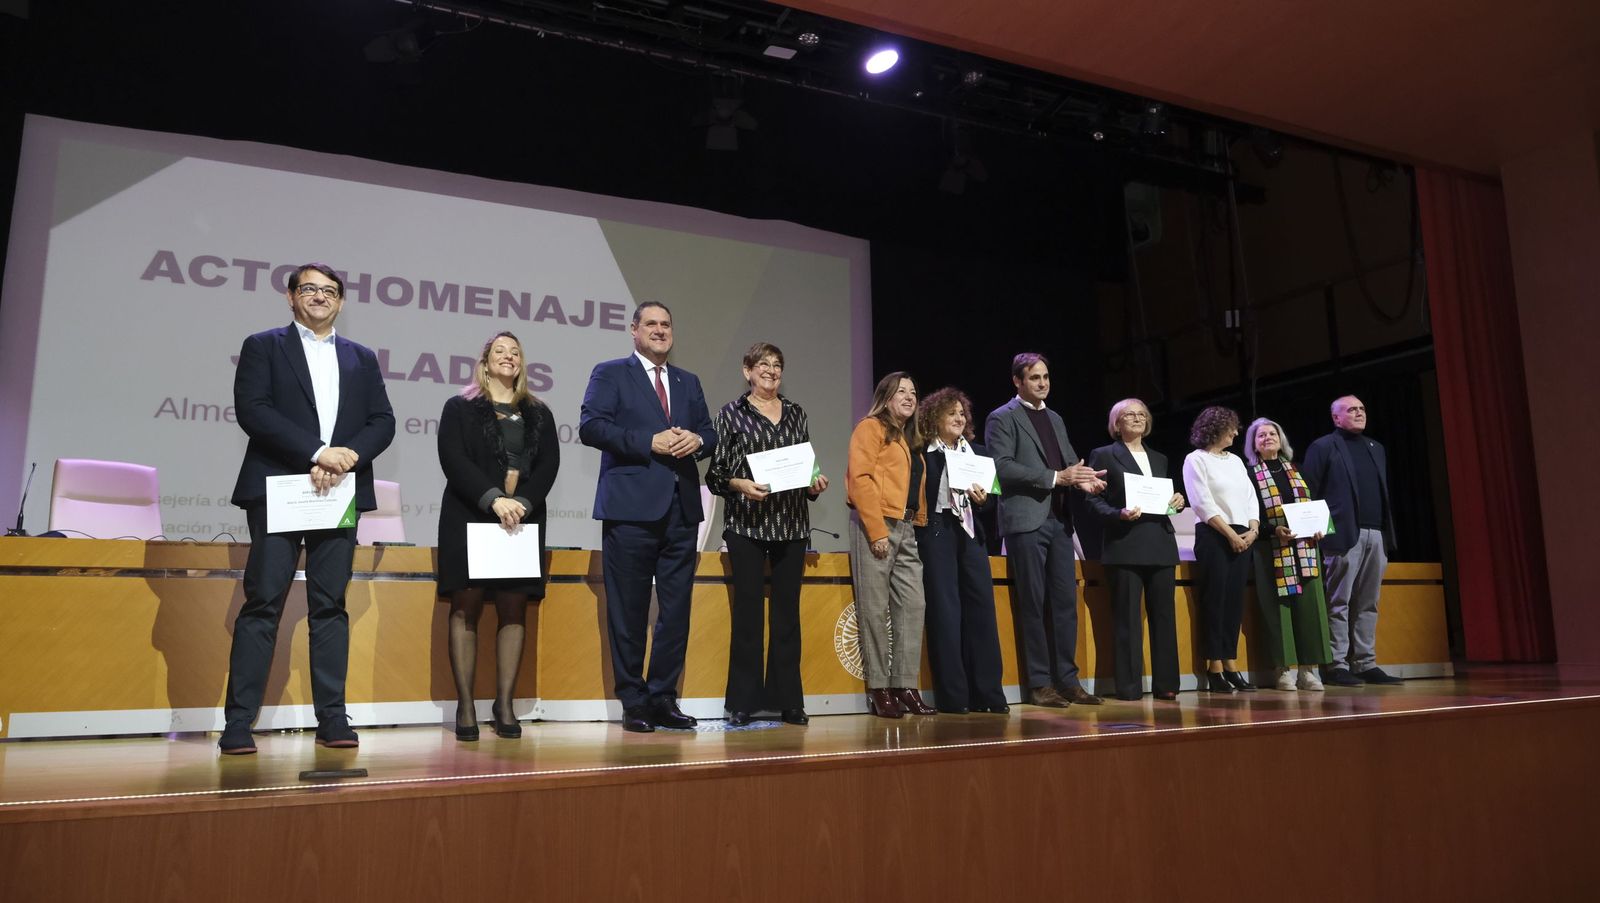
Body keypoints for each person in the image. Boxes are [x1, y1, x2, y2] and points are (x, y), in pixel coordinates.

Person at [220, 263, 396, 755]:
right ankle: (238, 723)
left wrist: (347, 457)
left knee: (330, 606)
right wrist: (319, 453)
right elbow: (254, 410)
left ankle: (333, 719)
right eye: (310, 289)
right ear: (291, 296)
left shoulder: (361, 357)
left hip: (339, 489)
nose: (320, 297)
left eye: (329, 291)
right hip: (281, 489)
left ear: (340, 302)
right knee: (263, 603)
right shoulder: (264, 345)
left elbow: (383, 420)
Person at [579, 301, 717, 733]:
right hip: (631, 510)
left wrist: (698, 439)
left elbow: (711, 433)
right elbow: (591, 427)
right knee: (630, 610)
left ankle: (663, 698)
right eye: (651, 324)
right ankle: (634, 700)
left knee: (675, 612)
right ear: (634, 331)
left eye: (666, 325)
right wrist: (648, 441)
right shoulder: (610, 373)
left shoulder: (687, 380)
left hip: (680, 511)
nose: (660, 331)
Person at [436, 332, 560, 740]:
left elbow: (548, 467)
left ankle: (504, 703)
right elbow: (453, 460)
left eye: (516, 352)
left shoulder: (539, 412)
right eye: (500, 352)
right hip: (470, 515)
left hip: (521, 521)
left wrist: (520, 502)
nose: (509, 357)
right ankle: (467, 705)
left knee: (513, 608)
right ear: (485, 361)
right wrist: (493, 500)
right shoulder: (461, 407)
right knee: (465, 606)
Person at [704, 342, 829, 726]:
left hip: (791, 526)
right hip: (746, 527)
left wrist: (814, 483)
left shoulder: (795, 413)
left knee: (787, 617)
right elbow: (715, 476)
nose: (771, 371)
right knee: (748, 617)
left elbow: (805, 467)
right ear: (747, 370)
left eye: (777, 365)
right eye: (763, 365)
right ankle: (742, 702)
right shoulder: (730, 414)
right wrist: (740, 485)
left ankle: (788, 701)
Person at [985, 353, 1108, 709]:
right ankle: (1040, 683)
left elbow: (1070, 463)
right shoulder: (1002, 418)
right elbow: (1001, 467)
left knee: (1065, 603)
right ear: (1017, 381)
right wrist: (1057, 478)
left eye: (1046, 377)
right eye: (1034, 378)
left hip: (1058, 521)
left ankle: (1068, 680)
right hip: (1026, 521)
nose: (1042, 383)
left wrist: (1084, 481)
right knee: (1034, 603)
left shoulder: (1054, 417)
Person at [1084, 399, 1186, 701]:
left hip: (1160, 544)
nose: (1137, 419)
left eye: (1142, 414)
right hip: (1125, 544)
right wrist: (1118, 514)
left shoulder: (1160, 458)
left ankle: (1167, 684)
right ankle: (1128, 687)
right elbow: (1092, 501)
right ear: (1117, 423)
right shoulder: (1103, 455)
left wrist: (1176, 502)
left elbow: (1164, 501)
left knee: (1165, 618)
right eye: (1130, 415)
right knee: (1127, 618)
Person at [916, 387, 1009, 715]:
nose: (958, 418)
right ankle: (954, 698)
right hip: (938, 532)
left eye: (961, 413)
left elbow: (994, 499)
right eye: (950, 413)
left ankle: (989, 694)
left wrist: (985, 500)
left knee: (982, 612)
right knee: (946, 613)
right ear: (934, 417)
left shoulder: (980, 453)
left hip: (972, 533)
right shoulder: (923, 452)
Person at [846, 372, 932, 718]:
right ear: (886, 396)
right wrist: (876, 530)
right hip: (877, 523)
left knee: (913, 605)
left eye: (913, 391)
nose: (909, 397)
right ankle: (879, 689)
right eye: (902, 391)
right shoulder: (871, 428)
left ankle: (905, 686)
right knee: (874, 609)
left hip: (907, 526)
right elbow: (860, 478)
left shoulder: (909, 438)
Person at [1300, 396, 1403, 686]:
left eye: (1362, 409)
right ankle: (1335, 664)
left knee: (1369, 603)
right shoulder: (1323, 446)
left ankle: (1365, 662)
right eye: (1351, 410)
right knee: (1339, 602)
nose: (1359, 413)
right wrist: (1318, 528)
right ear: (1336, 418)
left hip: (1376, 534)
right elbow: (1310, 491)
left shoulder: (1376, 448)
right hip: (1342, 535)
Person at [1243, 417, 1332, 692]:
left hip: (1305, 547)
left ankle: (1309, 670)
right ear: (1253, 444)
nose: (1267, 438)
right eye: (1261, 436)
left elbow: (1316, 504)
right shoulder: (1248, 475)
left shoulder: (1298, 469)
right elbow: (1249, 513)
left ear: (1281, 440)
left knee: (1311, 607)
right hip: (1270, 547)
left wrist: (1320, 528)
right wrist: (1272, 530)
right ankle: (1283, 670)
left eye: (1272, 433)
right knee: (1277, 608)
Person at [1182, 406, 1260, 693]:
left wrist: (1252, 530)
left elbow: (1250, 496)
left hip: (1243, 535)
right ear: (1216, 429)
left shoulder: (1237, 461)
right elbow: (1202, 502)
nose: (1237, 433)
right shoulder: (1196, 460)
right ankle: (1213, 666)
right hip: (1216, 535)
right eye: (1232, 428)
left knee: (1233, 602)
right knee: (1214, 600)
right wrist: (1230, 534)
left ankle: (1230, 663)